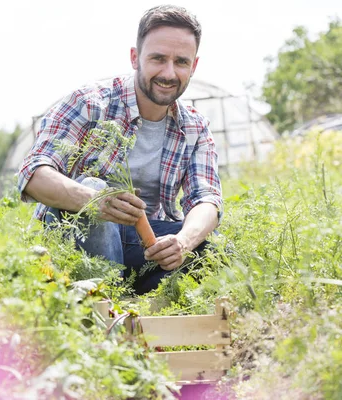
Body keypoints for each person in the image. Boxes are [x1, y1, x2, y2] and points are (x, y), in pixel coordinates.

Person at [17, 5, 223, 294]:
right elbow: (33, 173)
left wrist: (184, 242)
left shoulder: (195, 128)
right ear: (135, 58)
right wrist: (96, 200)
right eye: (158, 59)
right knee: (93, 186)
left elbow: (207, 199)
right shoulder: (90, 103)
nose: (169, 72)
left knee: (214, 246)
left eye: (181, 62)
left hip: (143, 243)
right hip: (74, 239)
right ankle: (104, 301)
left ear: (194, 66)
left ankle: (139, 307)